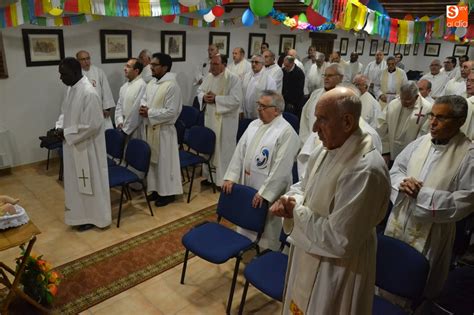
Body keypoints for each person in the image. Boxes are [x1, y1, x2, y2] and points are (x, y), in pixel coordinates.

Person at [271, 87, 391, 315]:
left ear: (347, 122)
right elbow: (305, 188)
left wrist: (296, 210)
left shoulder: (364, 170)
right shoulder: (328, 148)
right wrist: (290, 200)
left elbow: (340, 239)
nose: (315, 128)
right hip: (309, 248)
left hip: (337, 268)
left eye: (322, 120)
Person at [384, 95, 473, 299]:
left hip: (434, 229)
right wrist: (402, 184)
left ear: (460, 121)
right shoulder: (422, 142)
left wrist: (422, 195)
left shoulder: (468, 154)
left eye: (441, 118)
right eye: (432, 115)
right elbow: (397, 169)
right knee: (388, 274)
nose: (432, 122)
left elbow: (467, 199)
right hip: (401, 217)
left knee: (416, 287)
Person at [222, 90, 300, 250]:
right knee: (245, 219)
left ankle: (266, 252)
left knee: (267, 228)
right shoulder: (253, 125)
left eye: (264, 106)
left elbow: (282, 170)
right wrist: (231, 177)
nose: (258, 109)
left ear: (277, 110)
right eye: (258, 105)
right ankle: (245, 245)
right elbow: (239, 153)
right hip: (248, 180)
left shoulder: (286, 133)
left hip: (269, 189)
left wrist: (265, 193)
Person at [56, 57, 111, 231]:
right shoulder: (71, 89)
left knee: (90, 184)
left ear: (74, 72)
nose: (61, 78)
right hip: (74, 145)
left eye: (63, 74)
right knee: (76, 184)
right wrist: (58, 128)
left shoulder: (89, 93)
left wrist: (65, 133)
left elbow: (93, 125)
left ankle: (95, 217)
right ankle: (80, 215)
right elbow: (64, 113)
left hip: (88, 148)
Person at [139, 53, 183, 207]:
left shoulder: (172, 86)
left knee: (165, 164)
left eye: (155, 65)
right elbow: (144, 99)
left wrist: (149, 113)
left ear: (165, 67)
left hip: (165, 132)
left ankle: (168, 193)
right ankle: (156, 190)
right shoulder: (152, 83)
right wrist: (143, 108)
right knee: (154, 163)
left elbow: (172, 112)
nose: (151, 67)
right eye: (151, 64)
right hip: (152, 128)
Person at [197, 54, 242, 187]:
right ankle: (210, 177)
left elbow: (236, 100)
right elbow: (199, 91)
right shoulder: (209, 77)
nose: (212, 67)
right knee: (209, 147)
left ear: (224, 65)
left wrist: (216, 99)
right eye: (211, 64)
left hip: (225, 122)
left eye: (216, 64)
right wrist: (204, 97)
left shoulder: (233, 79)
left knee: (223, 151)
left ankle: (222, 180)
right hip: (210, 119)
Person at [378, 82, 432, 165]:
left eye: (407, 100)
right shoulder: (393, 104)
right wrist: (385, 151)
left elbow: (423, 135)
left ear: (416, 96)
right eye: (401, 98)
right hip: (390, 151)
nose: (403, 103)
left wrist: (414, 155)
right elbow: (382, 127)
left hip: (411, 155)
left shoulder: (427, 108)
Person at [300, 63, 342, 143]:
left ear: (340, 78)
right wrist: (305, 140)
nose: (326, 78)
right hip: (310, 142)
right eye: (325, 75)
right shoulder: (315, 94)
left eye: (330, 76)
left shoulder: (344, 98)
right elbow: (305, 117)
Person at [76, 50, 115, 129]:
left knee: (105, 134)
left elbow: (106, 90)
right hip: (84, 112)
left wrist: (107, 108)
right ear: (77, 61)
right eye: (83, 59)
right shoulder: (76, 74)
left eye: (88, 58)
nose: (86, 62)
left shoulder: (98, 72)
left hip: (99, 110)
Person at [115, 58, 146, 139]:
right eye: (125, 65)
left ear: (136, 71)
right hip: (123, 126)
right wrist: (120, 121)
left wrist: (126, 130)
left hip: (135, 128)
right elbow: (119, 107)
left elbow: (136, 111)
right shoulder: (124, 87)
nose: (124, 68)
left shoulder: (142, 85)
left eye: (128, 66)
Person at [241, 55, 276, 119]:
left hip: (260, 113)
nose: (253, 64)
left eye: (256, 62)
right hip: (246, 112)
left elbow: (271, 99)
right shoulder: (246, 76)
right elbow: (242, 93)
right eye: (252, 62)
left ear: (262, 64)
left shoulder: (269, 79)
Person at [462, 72, 474, 139]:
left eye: (473, 81)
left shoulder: (468, 102)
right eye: (467, 80)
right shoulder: (464, 99)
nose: (468, 84)